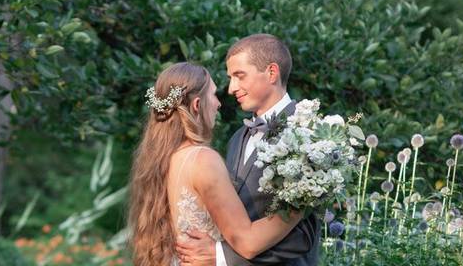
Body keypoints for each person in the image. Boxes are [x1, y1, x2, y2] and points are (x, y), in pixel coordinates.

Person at [127, 58, 301, 266]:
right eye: (213, 95)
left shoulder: (162, 159)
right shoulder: (202, 159)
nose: (218, 103)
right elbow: (247, 242)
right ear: (197, 105)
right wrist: (300, 204)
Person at [175, 34, 320, 265]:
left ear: (272, 73)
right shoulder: (236, 138)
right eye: (230, 78)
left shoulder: (311, 136)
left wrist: (222, 257)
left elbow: (304, 234)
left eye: (239, 76)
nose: (231, 88)